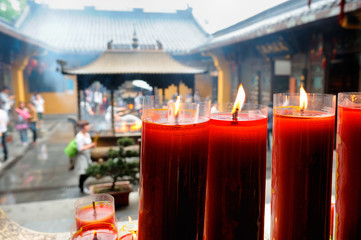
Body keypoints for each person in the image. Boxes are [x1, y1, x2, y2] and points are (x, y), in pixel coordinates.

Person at [75, 120, 96, 193]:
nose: (88, 127)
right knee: (84, 172)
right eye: (87, 126)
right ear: (83, 127)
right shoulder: (79, 136)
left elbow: (88, 145)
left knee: (88, 171)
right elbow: (80, 148)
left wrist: (91, 146)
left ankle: (81, 186)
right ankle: (81, 187)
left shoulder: (87, 134)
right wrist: (90, 145)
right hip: (82, 157)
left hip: (87, 156)